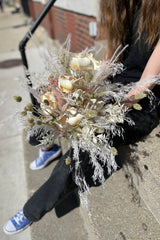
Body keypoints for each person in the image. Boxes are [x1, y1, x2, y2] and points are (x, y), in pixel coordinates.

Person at [3, 0, 160, 235]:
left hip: (141, 100)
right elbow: (110, 60)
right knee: (48, 104)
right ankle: (48, 147)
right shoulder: (119, 5)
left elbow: (146, 82)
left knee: (80, 153)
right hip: (116, 83)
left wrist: (103, 111)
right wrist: (85, 87)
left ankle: (31, 210)